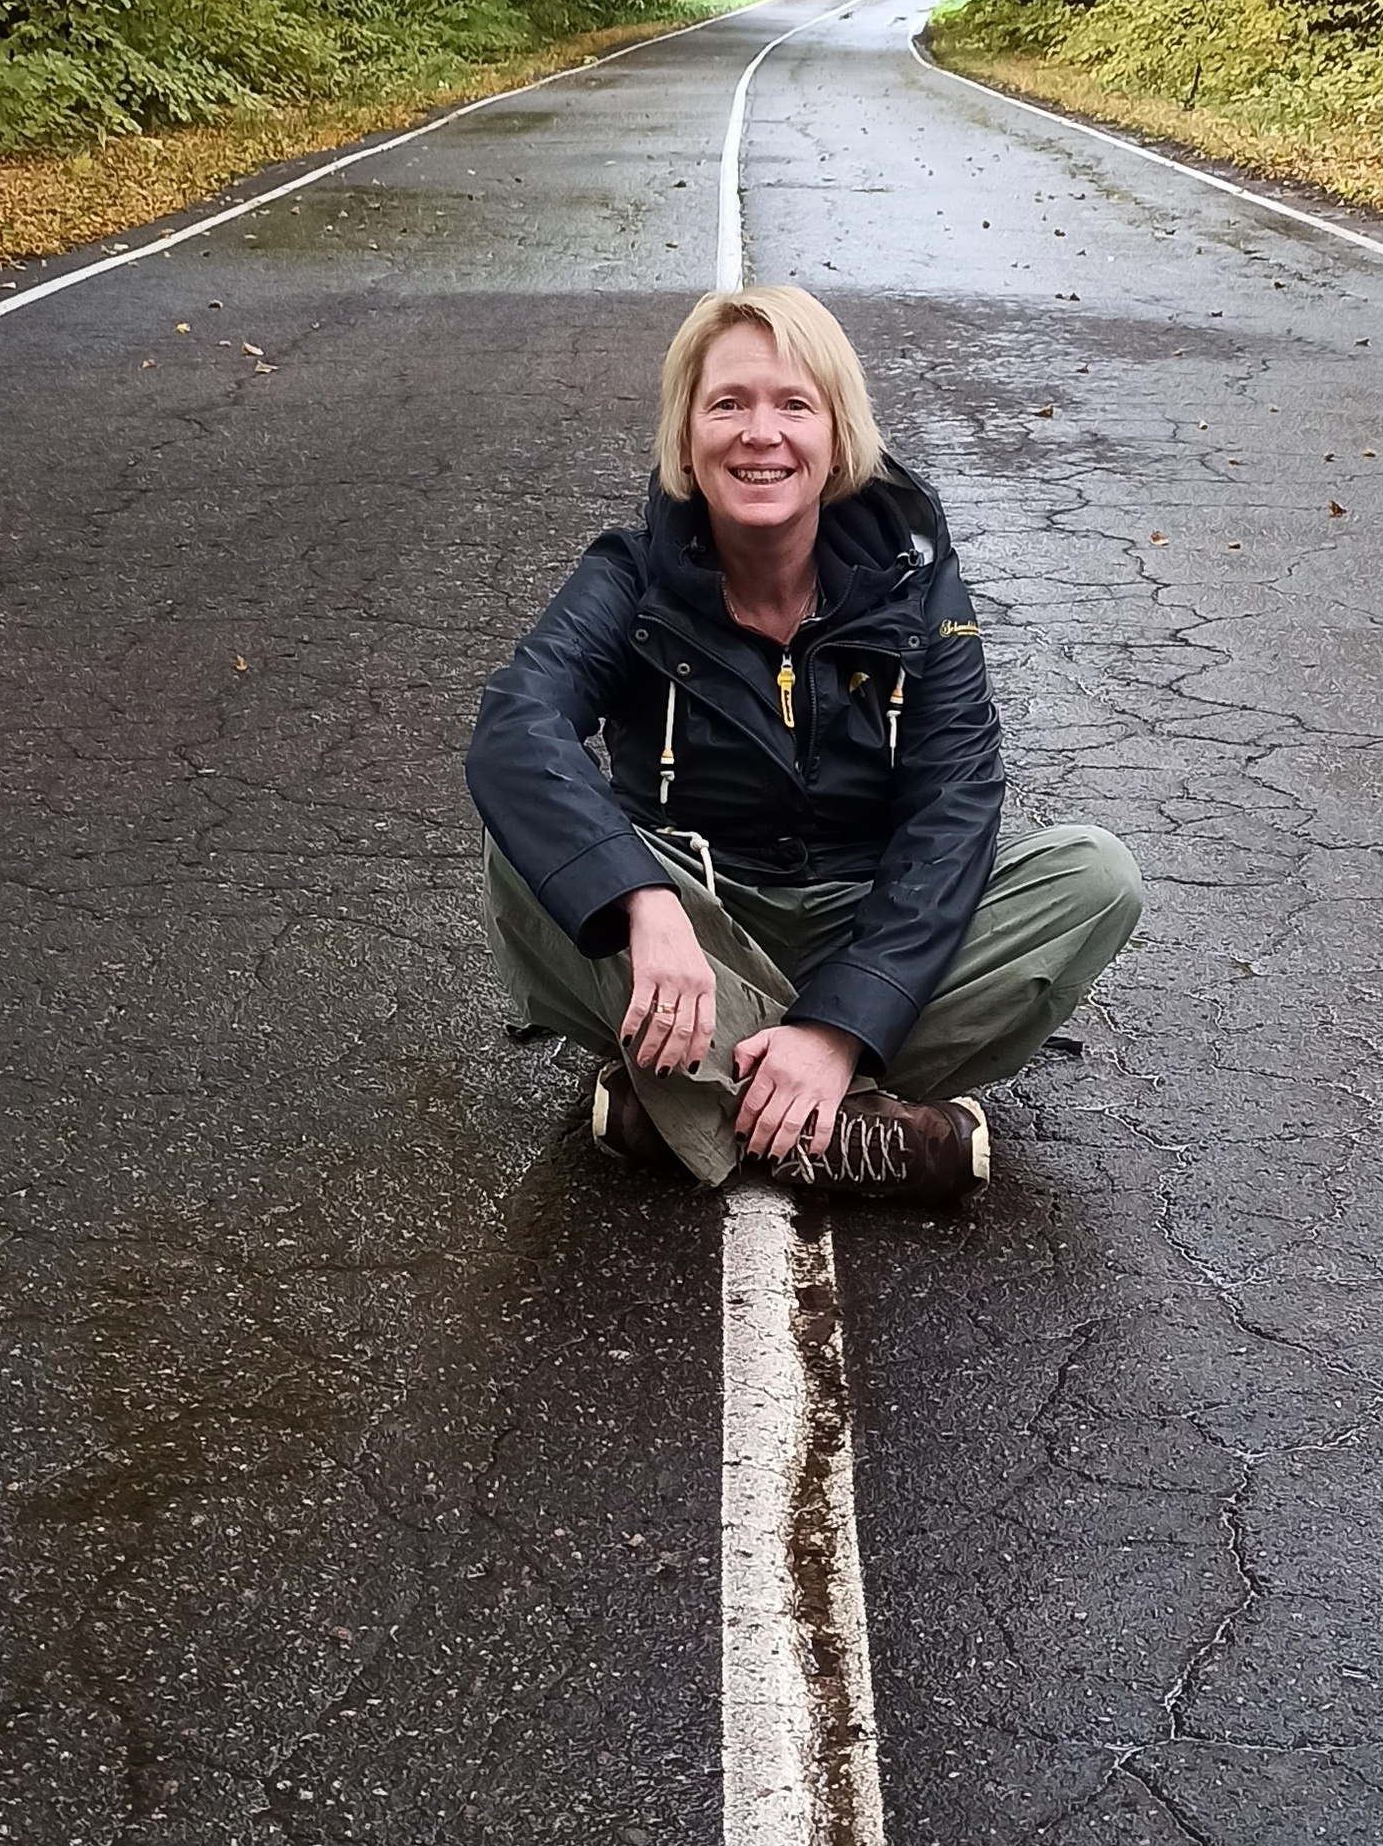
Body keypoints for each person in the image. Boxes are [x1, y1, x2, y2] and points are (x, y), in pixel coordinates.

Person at [466, 284, 1142, 1201]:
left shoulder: (915, 580)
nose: (760, 432)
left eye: (793, 404)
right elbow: (516, 724)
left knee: (1095, 877)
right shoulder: (629, 574)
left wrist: (836, 1026)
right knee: (526, 849)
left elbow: (958, 800)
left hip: (867, 924)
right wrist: (640, 900)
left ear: (836, 436)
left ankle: (686, 1108)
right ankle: (860, 1133)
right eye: (728, 404)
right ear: (686, 435)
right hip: (694, 928)